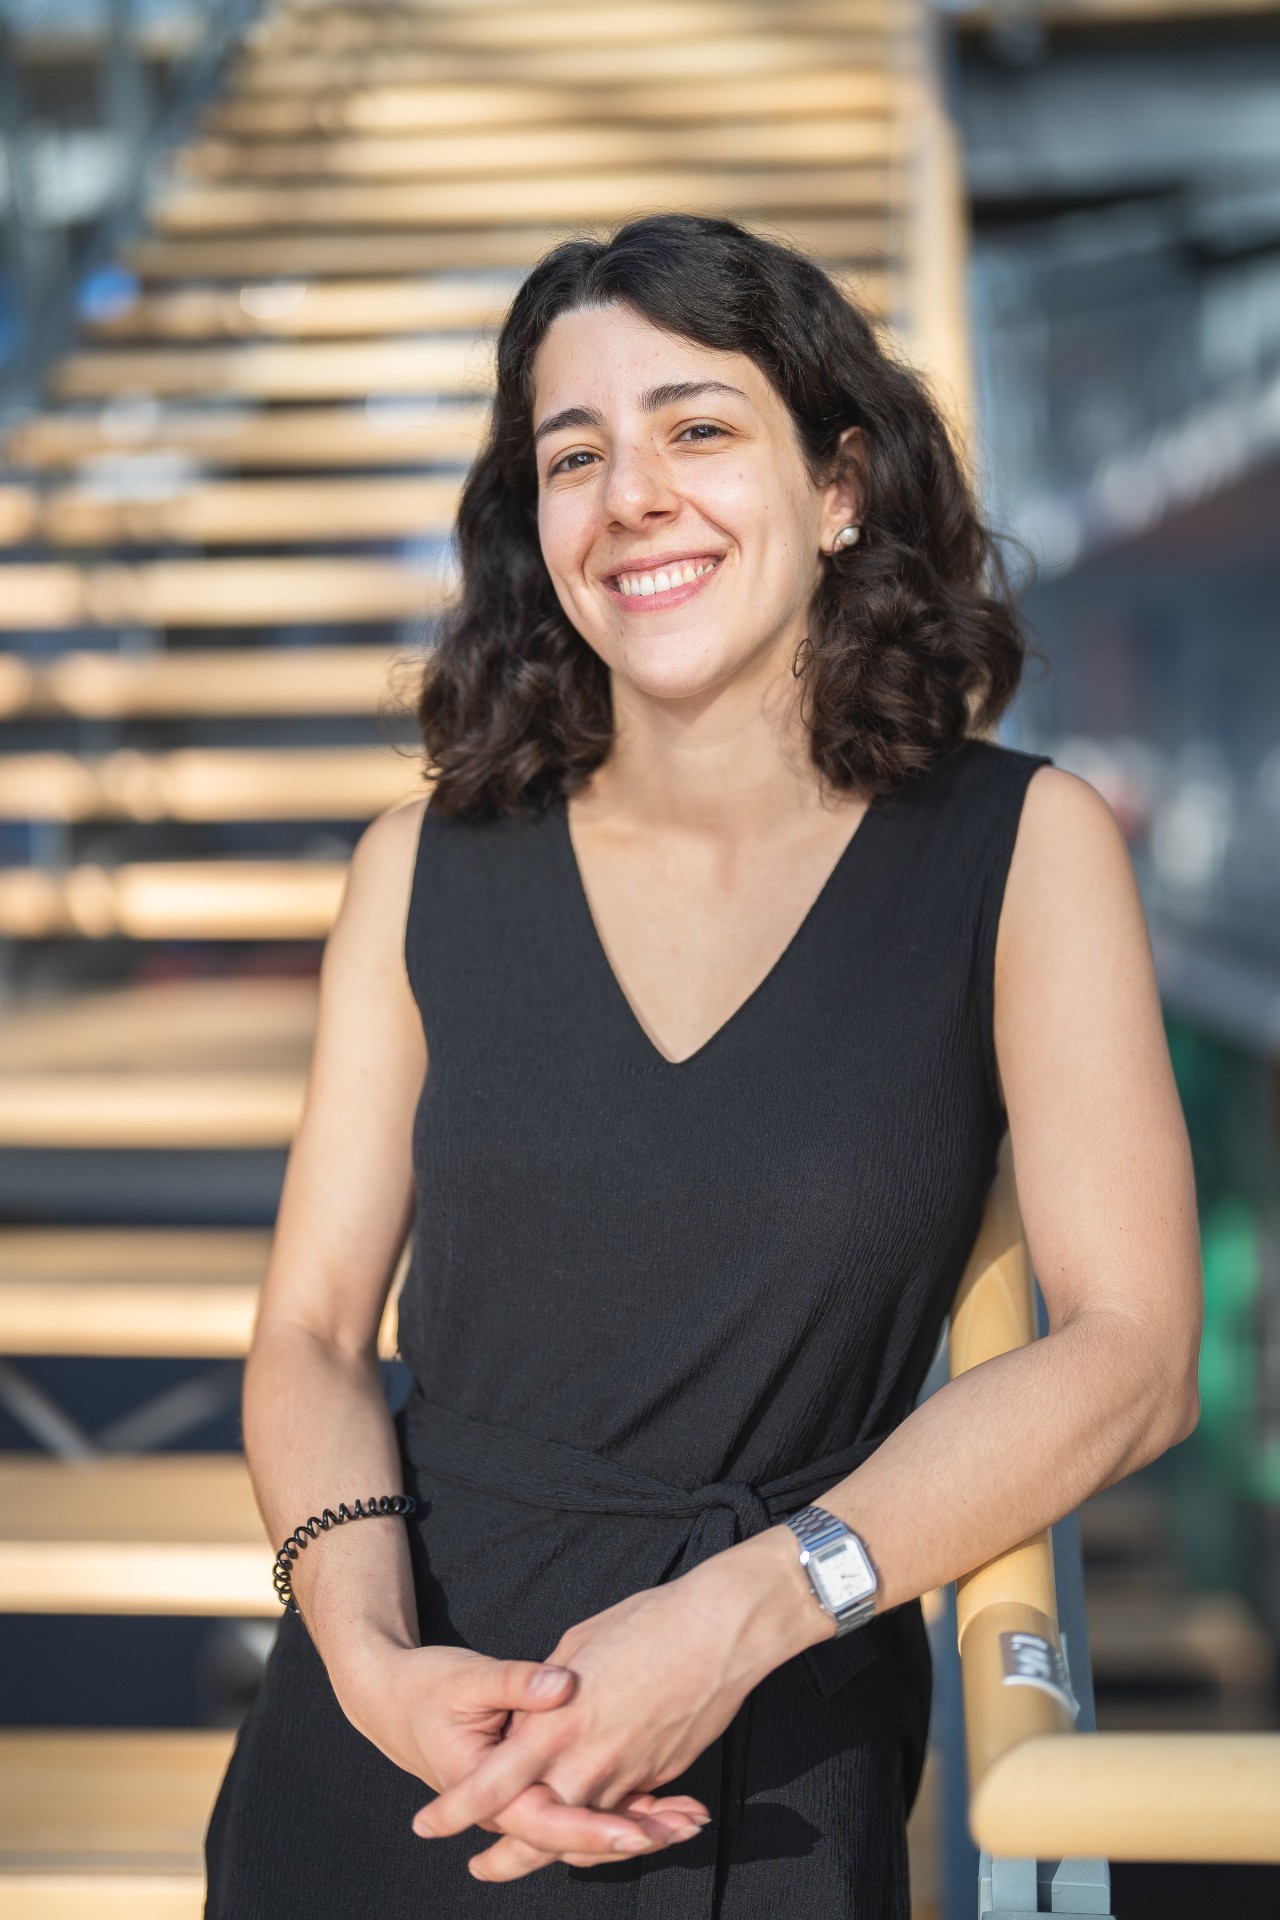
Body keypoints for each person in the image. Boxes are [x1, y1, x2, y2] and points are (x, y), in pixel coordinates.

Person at [204, 213, 1202, 1919]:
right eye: (572, 454)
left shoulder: (1022, 853)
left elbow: (1135, 1353)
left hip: (765, 1741)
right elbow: (307, 1335)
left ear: (839, 487)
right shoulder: (421, 867)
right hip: (398, 1758)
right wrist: (372, 1664)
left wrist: (742, 1615)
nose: (632, 496)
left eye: (698, 429)